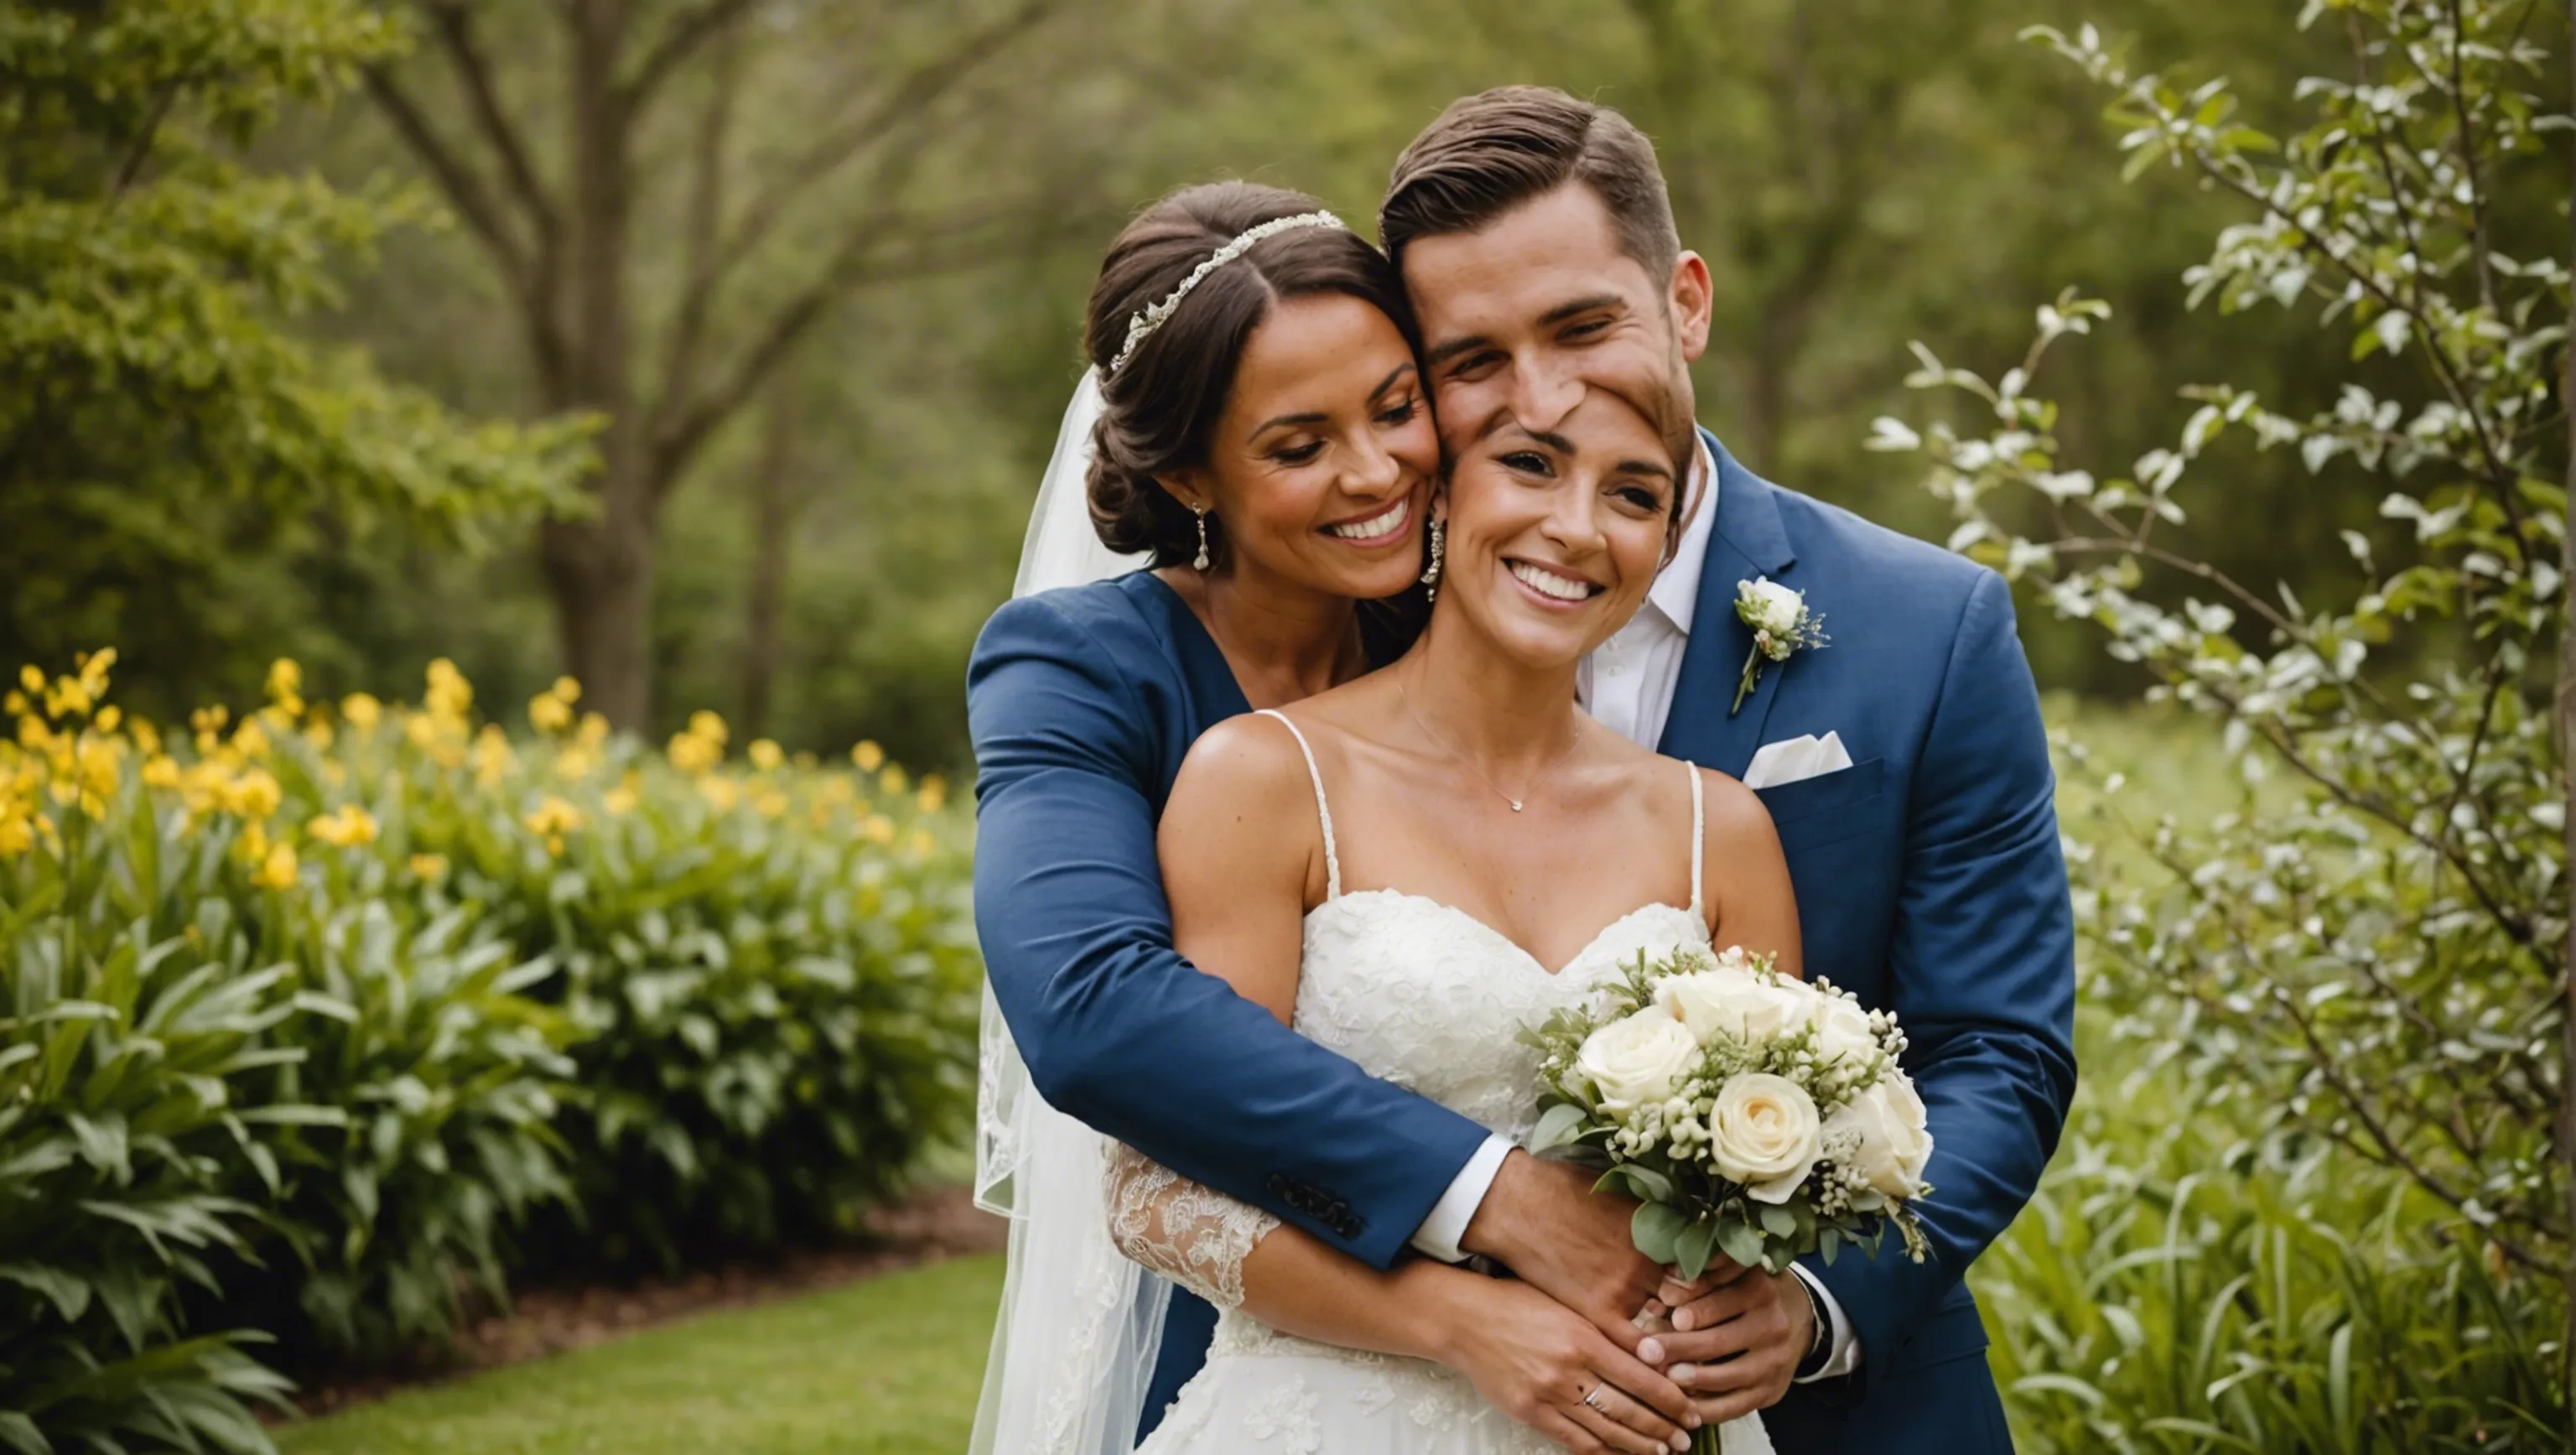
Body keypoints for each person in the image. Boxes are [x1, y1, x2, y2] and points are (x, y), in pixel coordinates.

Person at [972, 84, 2076, 1455]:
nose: (1542, 395)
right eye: (1470, 359)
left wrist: (1804, 1297)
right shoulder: (1318, 626)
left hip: (1806, 1409)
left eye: (1580, 326)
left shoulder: (1928, 632)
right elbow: (1101, 1021)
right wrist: (1485, 1219)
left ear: (1684, 300)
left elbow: (1997, 1052)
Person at [1115, 381, 1794, 1455]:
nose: (1575, 526)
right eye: (1530, 464)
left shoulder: (1724, 830)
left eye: (1632, 494)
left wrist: (1763, 1302)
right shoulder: (1267, 778)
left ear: (1666, 546)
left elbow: (1760, 1202)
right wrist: (1460, 1322)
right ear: (1439, 494)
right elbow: (1157, 1194)